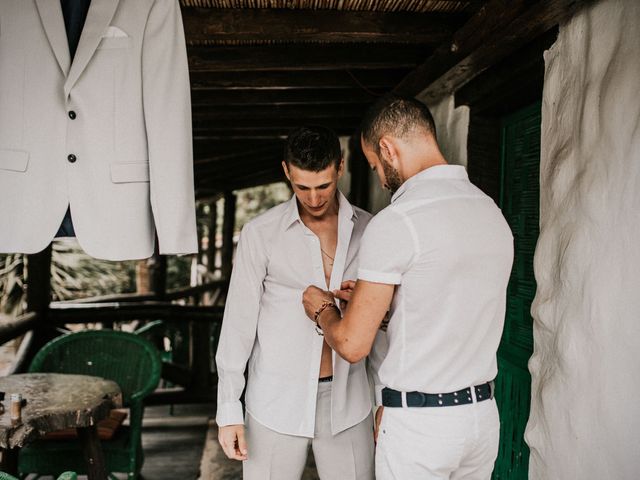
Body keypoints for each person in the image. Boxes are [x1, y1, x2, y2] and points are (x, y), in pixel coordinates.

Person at [302, 96, 514, 480]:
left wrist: (322, 310)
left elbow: (352, 345)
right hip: (481, 419)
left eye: (374, 166)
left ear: (387, 149)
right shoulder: (489, 211)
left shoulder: (398, 220)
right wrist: (380, 309)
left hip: (420, 428)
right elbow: (446, 305)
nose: (381, 178)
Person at [215, 126, 375, 479]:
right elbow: (237, 324)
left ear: (340, 167)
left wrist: (384, 402)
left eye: (323, 186)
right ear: (287, 171)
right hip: (274, 401)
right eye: (302, 187)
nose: (314, 198)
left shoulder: (371, 230)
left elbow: (382, 327)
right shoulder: (261, 234)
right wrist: (229, 410)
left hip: (350, 401)